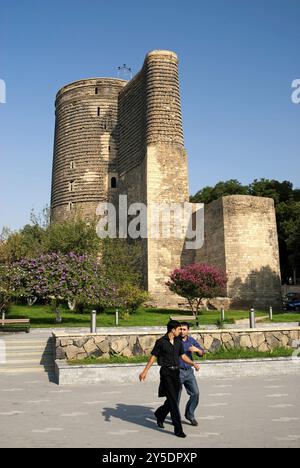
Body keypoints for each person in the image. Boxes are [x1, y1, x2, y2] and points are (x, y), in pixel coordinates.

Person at [139, 320, 200, 438]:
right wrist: (145, 371)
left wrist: (193, 363)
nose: (180, 331)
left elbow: (182, 356)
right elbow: (153, 357)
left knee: (172, 398)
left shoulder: (178, 341)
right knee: (173, 400)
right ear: (173, 330)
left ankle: (159, 414)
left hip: (176, 372)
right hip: (166, 373)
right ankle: (178, 430)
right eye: (178, 329)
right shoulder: (161, 342)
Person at [179, 322, 205, 426]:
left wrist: (197, 350)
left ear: (188, 331)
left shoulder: (191, 340)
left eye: (184, 329)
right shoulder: (175, 341)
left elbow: (202, 353)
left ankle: (189, 414)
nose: (182, 331)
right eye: (180, 329)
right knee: (176, 396)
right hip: (177, 372)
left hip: (189, 372)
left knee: (195, 393)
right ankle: (175, 417)